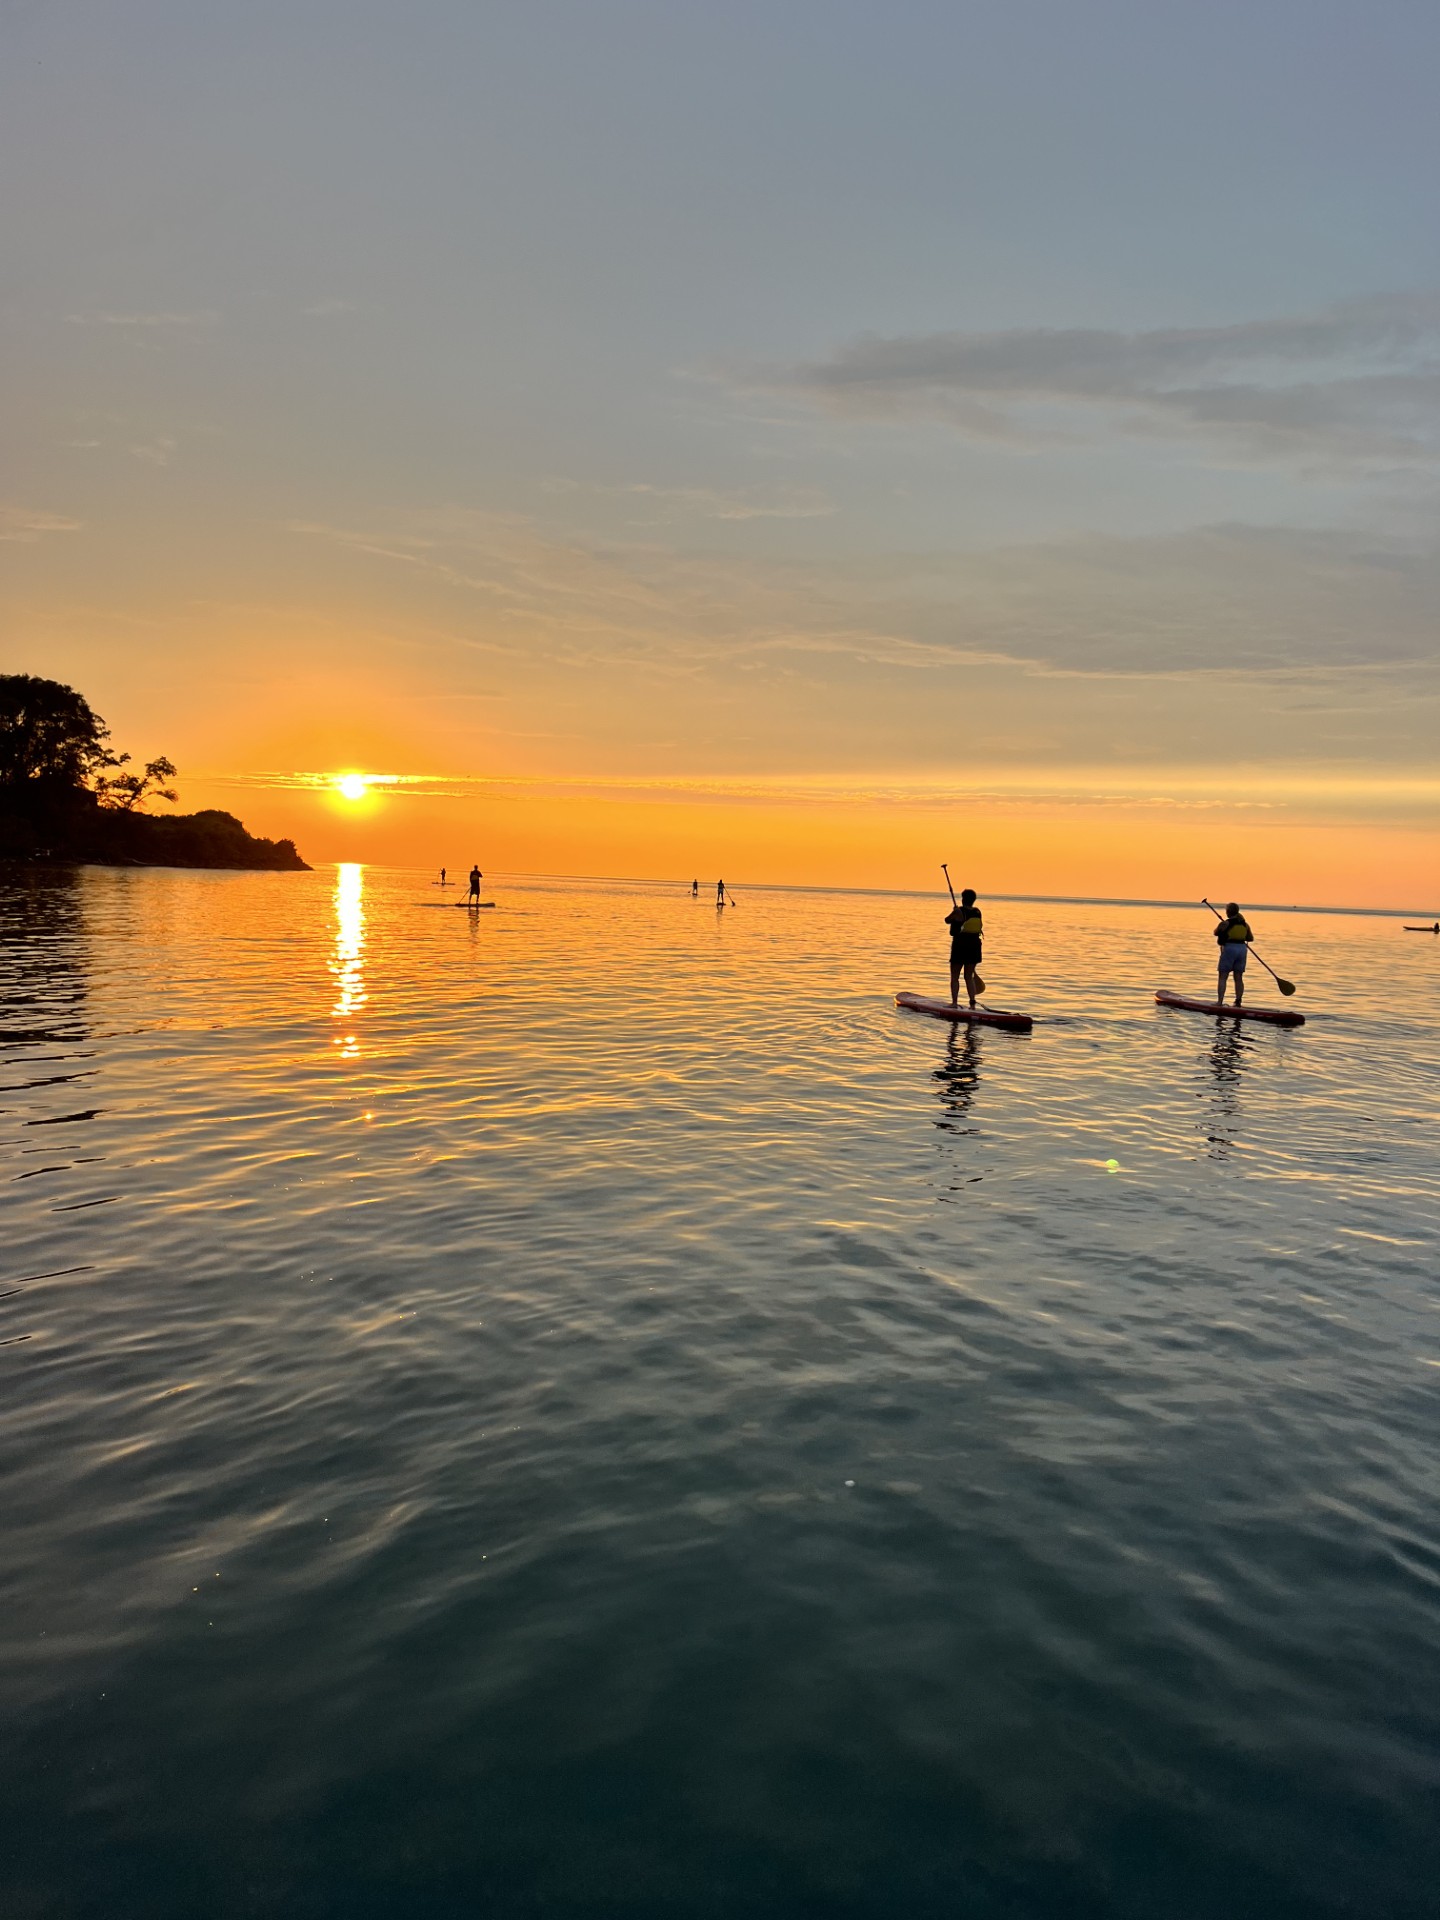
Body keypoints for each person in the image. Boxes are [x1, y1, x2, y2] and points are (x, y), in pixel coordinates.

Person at [946, 888, 983, 1007]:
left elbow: (947, 920)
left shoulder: (959, 911)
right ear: (973, 900)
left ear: (963, 899)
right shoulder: (978, 912)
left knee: (955, 976)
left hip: (960, 946)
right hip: (975, 947)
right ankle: (972, 1002)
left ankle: (954, 1003)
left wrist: (955, 911)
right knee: (969, 976)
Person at [1213, 901, 1253, 1005]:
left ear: (1228, 912)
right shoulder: (1245, 924)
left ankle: (1219, 1002)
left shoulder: (1225, 923)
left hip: (1230, 948)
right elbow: (1250, 938)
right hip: (1242, 949)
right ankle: (1238, 1001)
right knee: (1238, 977)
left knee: (1223, 976)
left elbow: (1216, 932)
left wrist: (1222, 925)